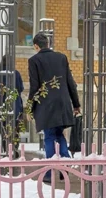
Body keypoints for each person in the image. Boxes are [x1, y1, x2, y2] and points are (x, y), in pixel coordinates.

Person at [27, 32, 80, 183]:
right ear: (48, 44)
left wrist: (30, 106)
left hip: (45, 105)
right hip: (63, 103)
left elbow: (35, 86)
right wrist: (76, 104)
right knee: (59, 135)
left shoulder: (34, 60)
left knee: (49, 136)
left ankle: (49, 173)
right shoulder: (61, 57)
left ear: (36, 46)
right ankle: (65, 167)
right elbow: (70, 82)